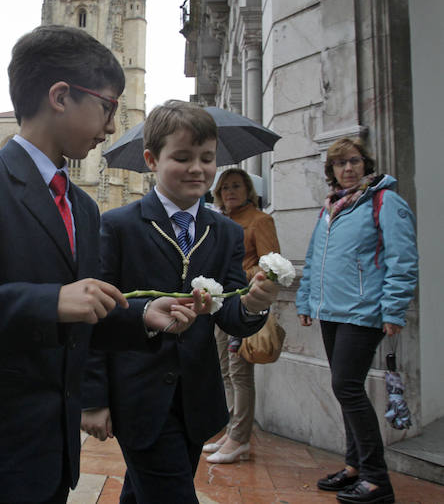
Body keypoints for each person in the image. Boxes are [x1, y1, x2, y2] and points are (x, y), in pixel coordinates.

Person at [0, 26, 205, 504]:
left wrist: (141, 319)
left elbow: (75, 321)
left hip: (55, 450)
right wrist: (51, 300)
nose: (112, 127)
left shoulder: (84, 208)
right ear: (61, 96)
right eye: (108, 107)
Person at [81, 100, 281, 503]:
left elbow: (232, 315)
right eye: (183, 157)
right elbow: (94, 318)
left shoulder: (224, 231)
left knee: (144, 492)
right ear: (152, 159)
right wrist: (92, 399)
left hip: (196, 397)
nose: (197, 168)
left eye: (207, 158)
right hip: (137, 395)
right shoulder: (118, 226)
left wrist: (256, 304)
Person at [297, 137, 417, 504]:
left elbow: (403, 259)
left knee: (347, 387)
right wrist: (305, 300)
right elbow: (315, 257)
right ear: (331, 171)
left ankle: (378, 480)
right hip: (330, 311)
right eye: (339, 164)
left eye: (353, 161)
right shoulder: (330, 208)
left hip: (364, 312)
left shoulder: (385, 201)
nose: (347, 169)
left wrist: (394, 310)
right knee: (344, 388)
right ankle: (354, 467)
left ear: (366, 163)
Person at [204, 168, 280, 464]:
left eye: (236, 186)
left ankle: (240, 439)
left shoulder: (260, 221)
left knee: (240, 373)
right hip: (221, 305)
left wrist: (239, 276)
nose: (230, 192)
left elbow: (272, 265)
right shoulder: (221, 222)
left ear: (248, 190)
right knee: (224, 370)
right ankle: (232, 429)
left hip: (244, 305)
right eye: (224, 188)